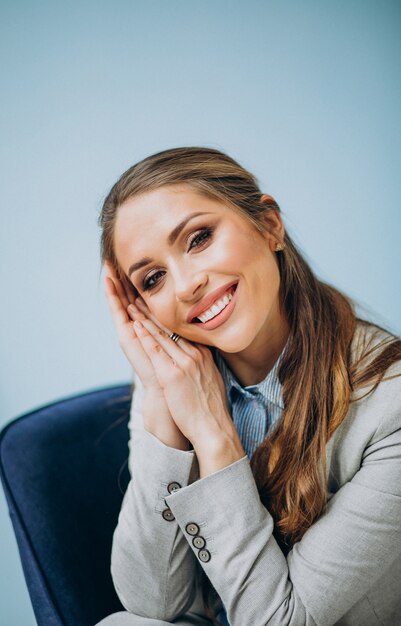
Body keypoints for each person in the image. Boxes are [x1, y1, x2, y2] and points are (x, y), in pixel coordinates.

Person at [96, 147, 401, 626]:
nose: (185, 286)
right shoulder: (178, 378)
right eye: (153, 279)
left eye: (199, 239)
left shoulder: (392, 408)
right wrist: (159, 398)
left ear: (268, 225)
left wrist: (215, 440)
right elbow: (152, 601)